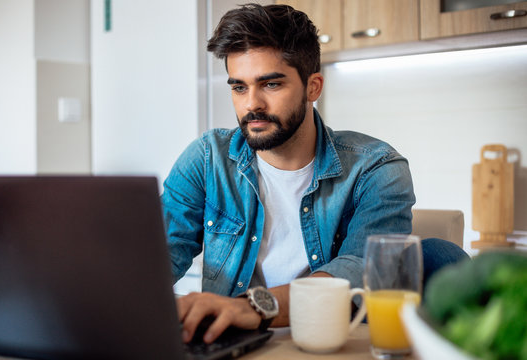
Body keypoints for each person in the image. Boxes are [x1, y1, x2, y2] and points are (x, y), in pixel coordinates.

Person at [161, 3, 468, 345]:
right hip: (234, 345)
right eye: (239, 88)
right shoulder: (207, 159)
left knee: (441, 255)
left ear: (313, 87)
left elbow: (357, 269)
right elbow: (159, 253)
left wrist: (252, 306)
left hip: (333, 341)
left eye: (271, 84)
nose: (252, 105)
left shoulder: (377, 168)